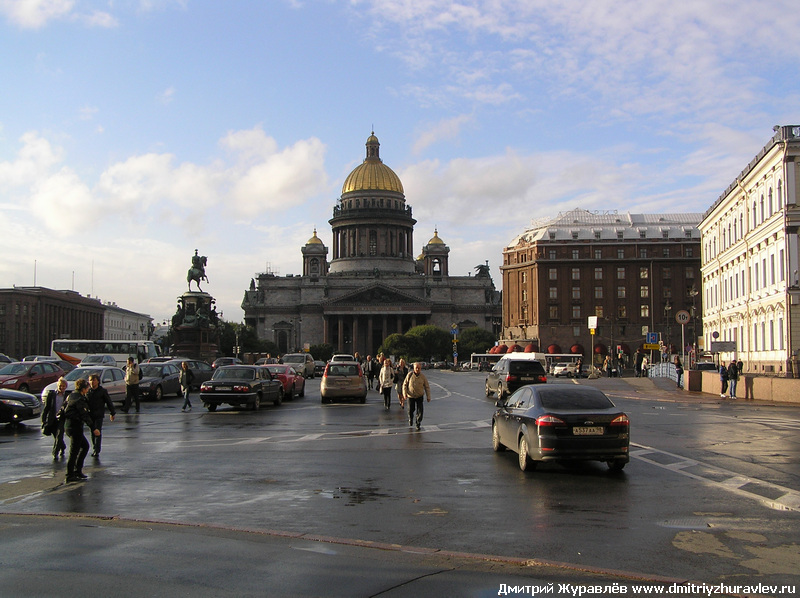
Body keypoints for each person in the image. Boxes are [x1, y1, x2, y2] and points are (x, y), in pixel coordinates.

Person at [61, 379, 100, 482]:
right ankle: (70, 474)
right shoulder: (79, 399)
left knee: (84, 446)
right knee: (74, 451)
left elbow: (63, 408)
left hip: (68, 426)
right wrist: (93, 428)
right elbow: (84, 415)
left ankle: (77, 471)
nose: (88, 390)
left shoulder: (72, 395)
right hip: (75, 427)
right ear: (83, 389)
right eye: (87, 388)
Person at [86, 373, 116, 457]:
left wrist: (112, 412)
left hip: (99, 414)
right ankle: (94, 447)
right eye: (90, 380)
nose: (92, 382)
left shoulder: (102, 391)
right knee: (92, 431)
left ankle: (97, 450)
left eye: (94, 380)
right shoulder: (88, 391)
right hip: (90, 415)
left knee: (97, 431)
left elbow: (109, 402)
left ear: (98, 381)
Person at [42, 377, 69, 460]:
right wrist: (43, 420)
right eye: (60, 386)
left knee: (59, 435)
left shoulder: (68, 396)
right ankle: (63, 446)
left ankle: (55, 453)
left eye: (64, 386)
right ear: (58, 386)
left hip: (62, 419)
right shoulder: (52, 394)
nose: (62, 388)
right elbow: (46, 408)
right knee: (55, 435)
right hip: (53, 418)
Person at [402, 362, 431, 430]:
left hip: (419, 396)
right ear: (414, 368)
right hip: (410, 396)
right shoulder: (410, 375)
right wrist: (404, 393)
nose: (417, 369)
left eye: (419, 368)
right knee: (410, 410)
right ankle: (410, 418)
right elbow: (405, 384)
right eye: (416, 368)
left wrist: (428, 396)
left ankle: (418, 423)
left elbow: (427, 387)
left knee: (420, 411)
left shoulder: (423, 377)